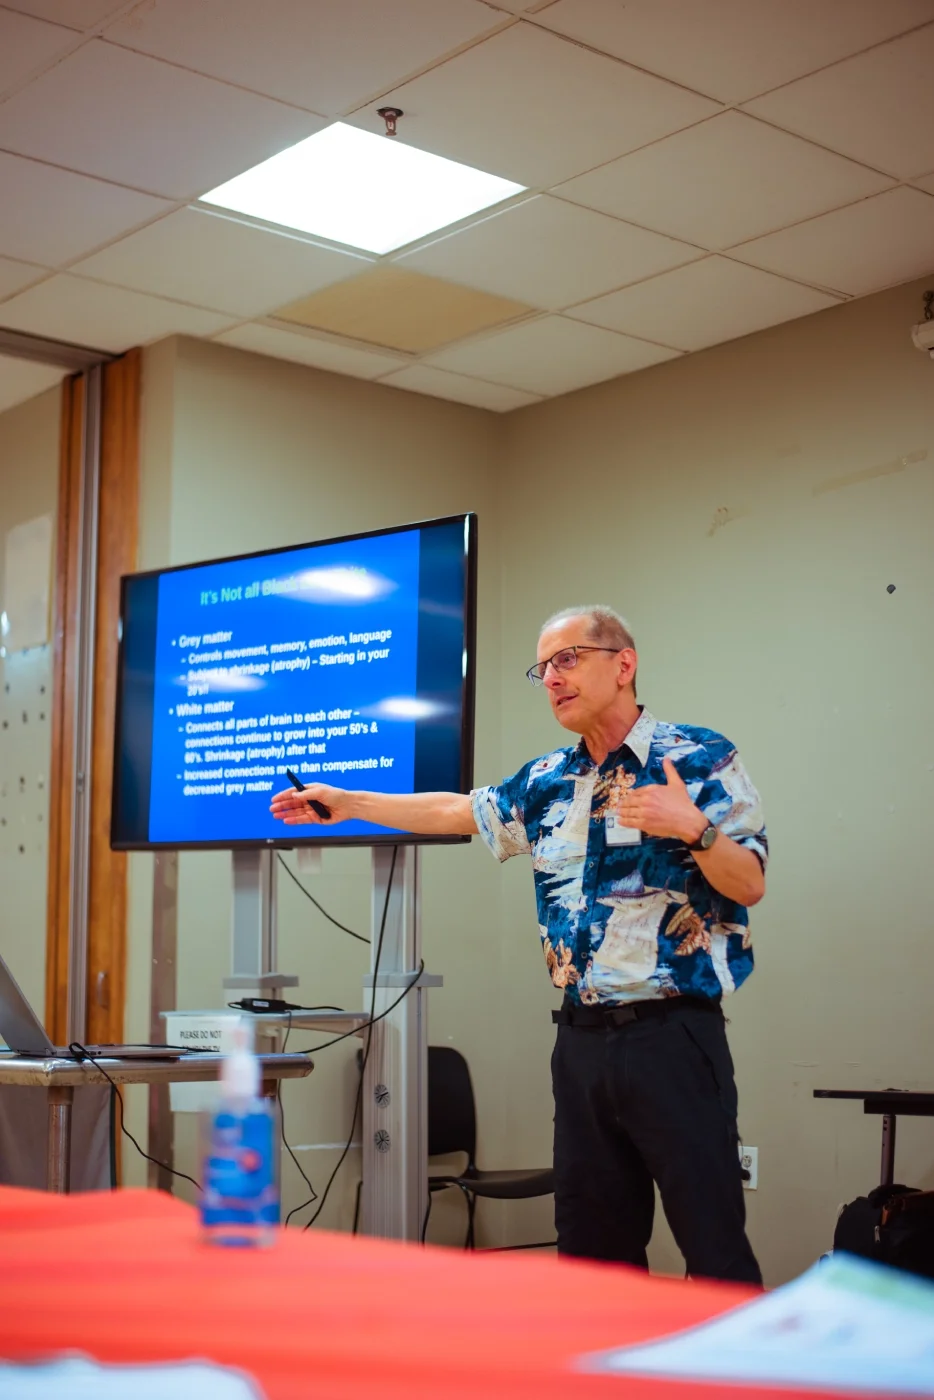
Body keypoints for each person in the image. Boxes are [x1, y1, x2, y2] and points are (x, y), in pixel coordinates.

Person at [270, 606, 766, 1283]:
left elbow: (750, 881)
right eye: (543, 667)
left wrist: (694, 828)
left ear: (624, 664)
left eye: (568, 659)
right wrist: (350, 801)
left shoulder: (700, 757)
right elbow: (457, 810)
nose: (552, 678)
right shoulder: (546, 781)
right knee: (591, 1256)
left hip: (673, 1037)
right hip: (581, 1043)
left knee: (712, 1247)